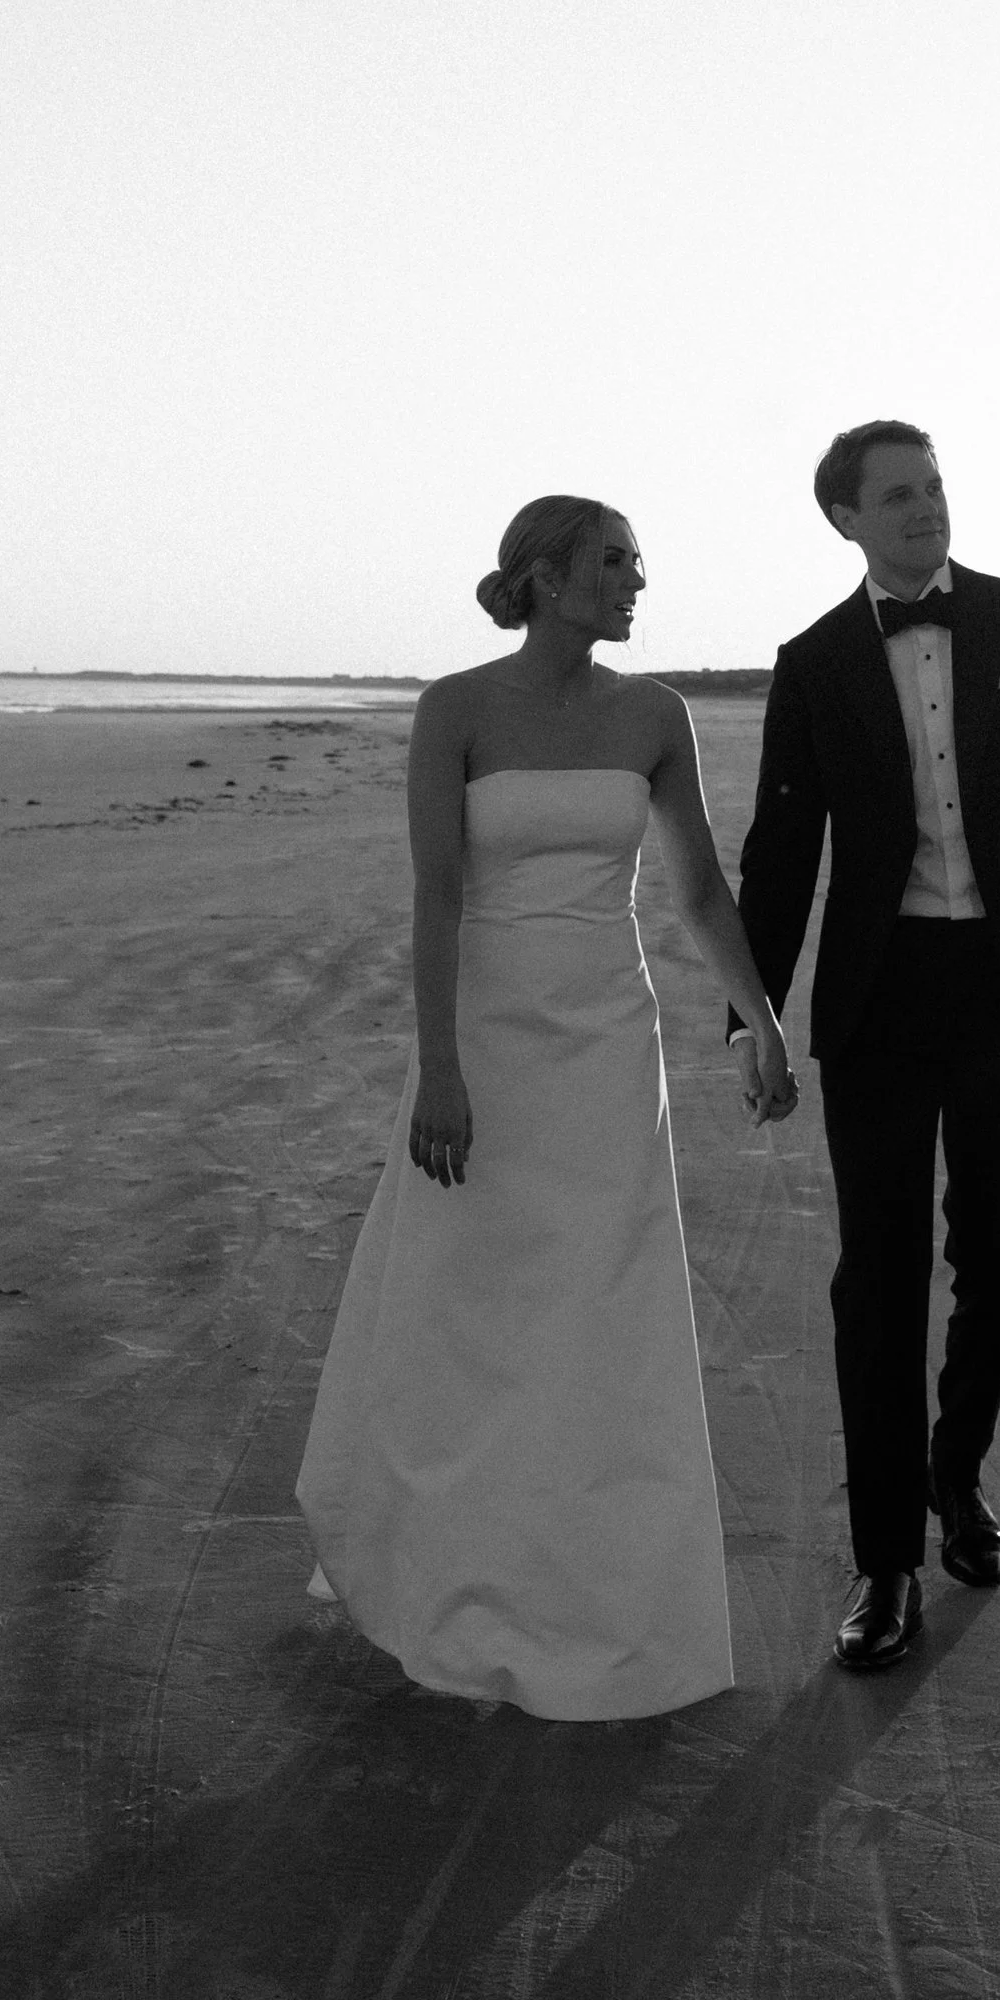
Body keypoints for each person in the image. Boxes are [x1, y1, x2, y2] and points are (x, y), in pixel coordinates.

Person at [298, 493, 800, 1719]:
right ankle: (446, 1566)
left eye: (637, 562)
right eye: (617, 560)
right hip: (485, 1038)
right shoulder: (455, 708)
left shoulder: (653, 714)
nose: (637, 580)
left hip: (606, 1041)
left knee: (603, 1300)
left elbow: (697, 893)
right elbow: (436, 899)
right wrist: (442, 1068)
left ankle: (606, 1591)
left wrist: (762, 1022)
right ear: (546, 574)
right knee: (466, 1299)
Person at [735, 422, 1000, 1671]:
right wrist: (752, 1017)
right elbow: (782, 851)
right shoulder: (811, 663)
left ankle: (951, 1471)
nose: (925, 508)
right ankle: (884, 1560)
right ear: (846, 519)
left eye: (935, 487)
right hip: (882, 996)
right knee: (882, 1272)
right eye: (896, 495)